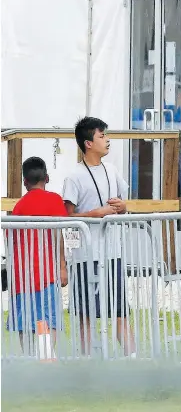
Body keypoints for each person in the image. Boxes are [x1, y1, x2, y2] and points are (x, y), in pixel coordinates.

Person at [62, 117, 136, 357]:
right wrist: (96, 214)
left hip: (112, 253)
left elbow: (124, 203)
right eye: (101, 136)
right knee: (85, 314)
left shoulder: (112, 170)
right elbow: (68, 216)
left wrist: (122, 207)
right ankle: (86, 364)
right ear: (88, 143)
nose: (107, 140)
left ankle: (132, 359)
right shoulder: (73, 176)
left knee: (120, 311)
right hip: (85, 256)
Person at [6, 157, 68, 354]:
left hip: (21, 275)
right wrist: (62, 265)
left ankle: (28, 359)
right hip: (47, 272)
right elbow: (59, 234)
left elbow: (10, 240)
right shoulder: (55, 200)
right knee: (46, 318)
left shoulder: (18, 207)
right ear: (47, 178)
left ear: (25, 182)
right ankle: (45, 358)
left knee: (25, 320)